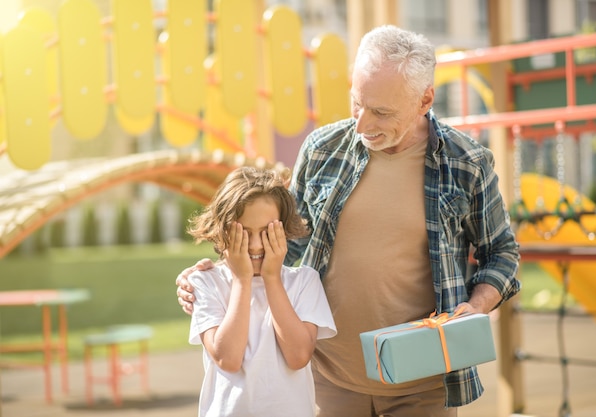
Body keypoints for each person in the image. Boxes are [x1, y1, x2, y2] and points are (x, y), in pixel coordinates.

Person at [177, 25, 521, 417]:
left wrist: (477, 306)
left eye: (381, 112)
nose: (361, 125)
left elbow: (502, 254)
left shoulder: (468, 162)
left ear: (425, 100)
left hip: (423, 380)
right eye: (357, 103)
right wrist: (214, 274)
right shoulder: (322, 149)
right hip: (326, 379)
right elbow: (280, 244)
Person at [185, 166, 337, 417]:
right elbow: (228, 360)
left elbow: (298, 356)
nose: (256, 245)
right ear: (224, 230)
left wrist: (271, 277)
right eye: (244, 233)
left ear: (284, 229)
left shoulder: (305, 282)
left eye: (267, 233)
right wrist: (242, 280)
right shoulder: (206, 283)